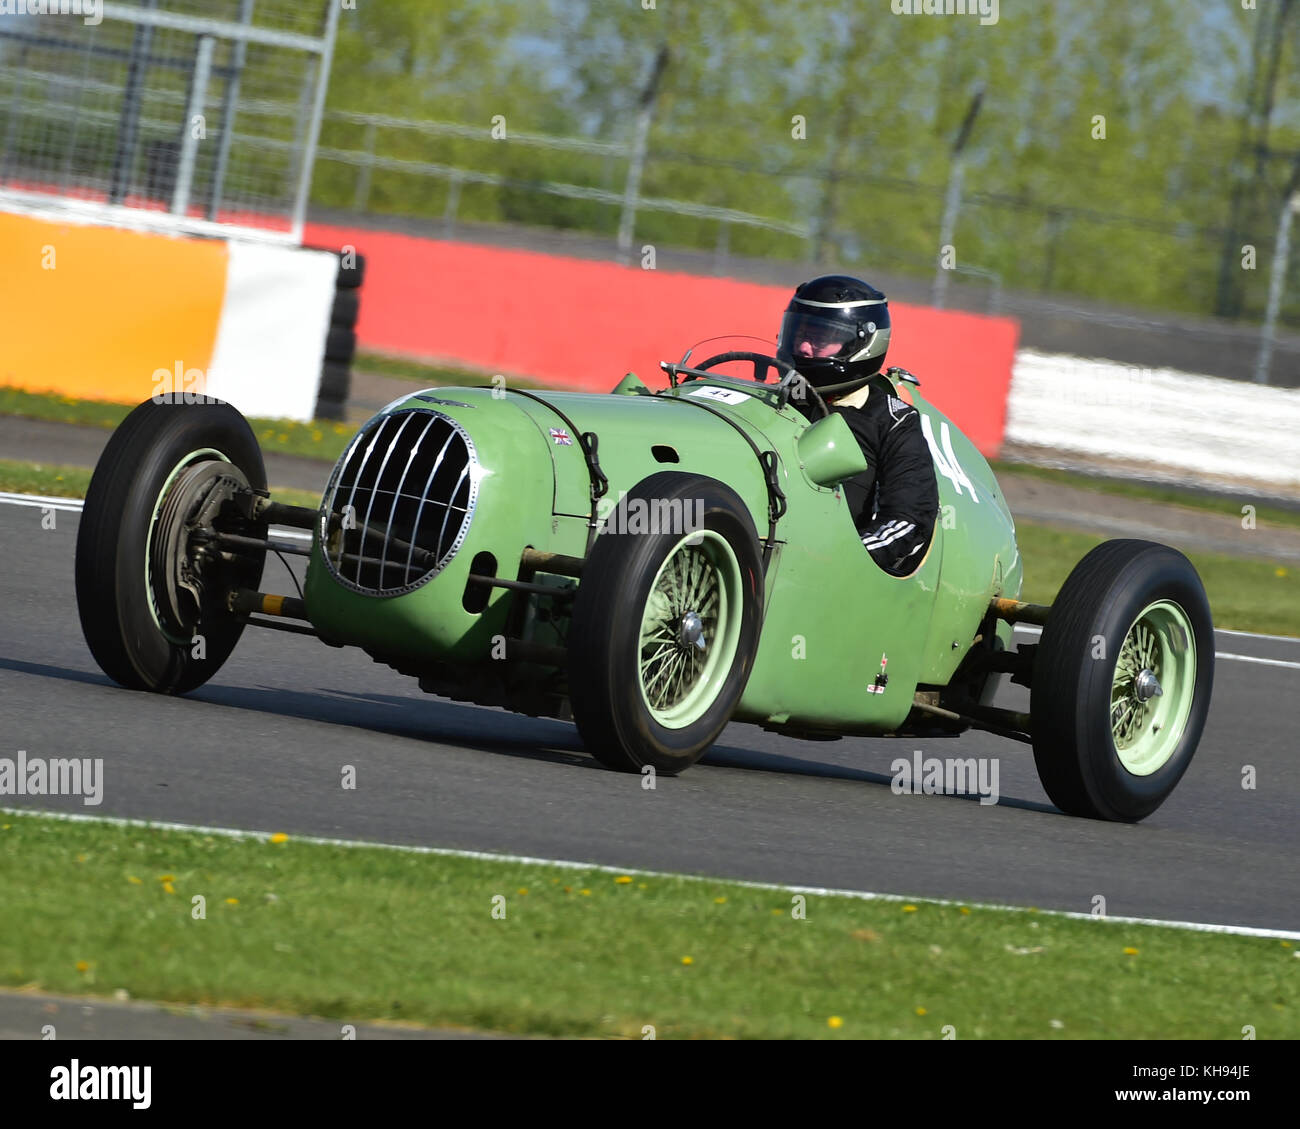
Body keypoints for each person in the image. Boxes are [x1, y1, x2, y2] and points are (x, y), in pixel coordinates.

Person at [776, 275, 939, 576]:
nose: (806, 347)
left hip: (827, 575)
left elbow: (909, 519)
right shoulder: (776, 398)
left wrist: (836, 559)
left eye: (823, 338)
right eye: (801, 334)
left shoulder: (894, 422)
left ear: (862, 345)